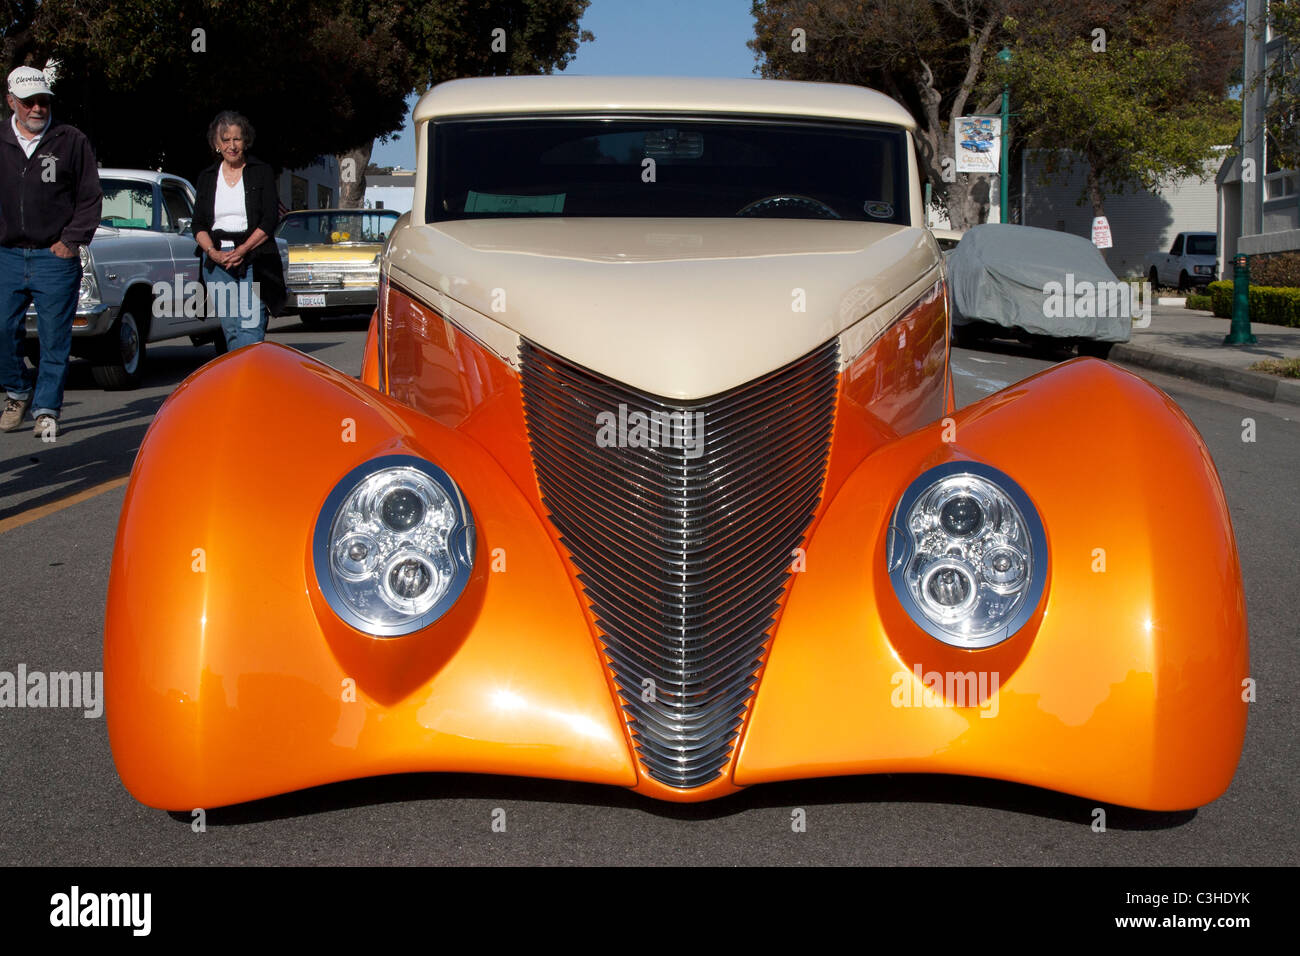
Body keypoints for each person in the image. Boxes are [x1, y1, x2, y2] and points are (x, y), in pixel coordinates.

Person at [0, 66, 102, 439]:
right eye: (29, 102)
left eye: (43, 101)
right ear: (12, 101)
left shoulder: (70, 140)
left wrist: (71, 241)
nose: (37, 109)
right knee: (1, 328)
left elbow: (89, 196)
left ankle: (46, 409)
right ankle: (17, 390)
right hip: (7, 255)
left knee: (53, 337)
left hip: (54, 257)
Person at [191, 110, 284, 350]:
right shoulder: (207, 177)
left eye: (237, 139)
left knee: (251, 324)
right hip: (218, 260)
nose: (232, 146)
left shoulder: (261, 171)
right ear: (216, 144)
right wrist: (212, 252)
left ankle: (251, 378)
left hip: (254, 258)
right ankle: (238, 381)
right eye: (226, 140)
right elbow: (198, 224)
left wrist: (242, 250)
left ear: (245, 141)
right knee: (231, 328)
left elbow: (269, 219)